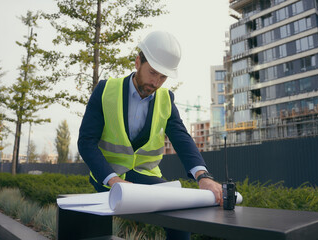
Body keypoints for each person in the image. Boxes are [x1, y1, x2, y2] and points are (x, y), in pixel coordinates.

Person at [78, 30, 222, 240]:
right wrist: (113, 179)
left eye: (163, 77)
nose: (156, 83)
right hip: (107, 175)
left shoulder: (166, 98)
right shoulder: (105, 90)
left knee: (180, 212)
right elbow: (86, 142)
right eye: (153, 72)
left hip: (145, 176)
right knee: (96, 228)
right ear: (138, 62)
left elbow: (182, 139)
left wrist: (203, 177)